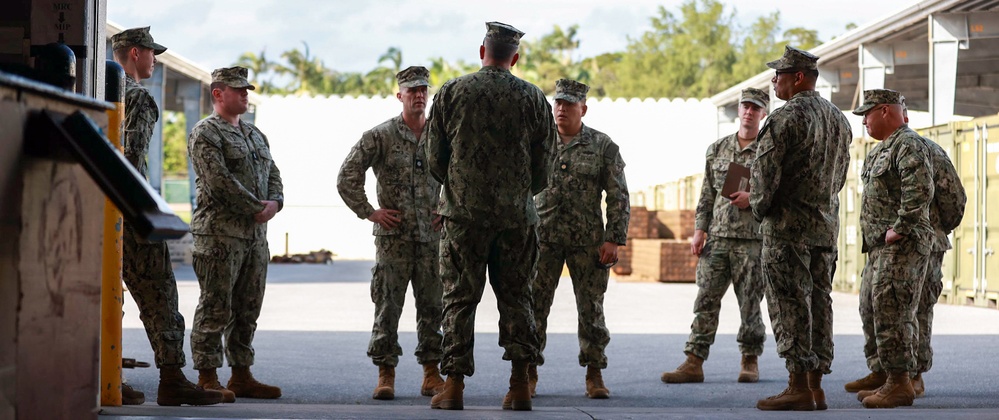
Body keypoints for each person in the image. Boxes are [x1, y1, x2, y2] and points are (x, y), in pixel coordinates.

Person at [424, 21, 556, 411]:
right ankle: (519, 386)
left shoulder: (452, 91)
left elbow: (434, 158)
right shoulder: (533, 98)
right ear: (514, 57)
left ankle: (453, 388)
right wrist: (516, 194)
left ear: (482, 52)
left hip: (464, 217)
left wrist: (460, 189)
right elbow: (544, 167)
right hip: (517, 218)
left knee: (459, 299)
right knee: (518, 298)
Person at [110, 26, 223, 407]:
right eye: (152, 53)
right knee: (159, 292)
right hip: (126, 211)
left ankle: (105, 376)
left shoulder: (93, 91)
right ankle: (172, 378)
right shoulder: (137, 97)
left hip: (95, 208)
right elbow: (131, 161)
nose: (156, 60)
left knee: (106, 298)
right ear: (136, 53)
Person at [749, 46, 852, 411]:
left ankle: (796, 385)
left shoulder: (785, 118)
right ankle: (815, 385)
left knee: (789, 302)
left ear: (798, 78)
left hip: (788, 230)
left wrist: (757, 207)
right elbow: (839, 178)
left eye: (779, 75)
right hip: (824, 229)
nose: (774, 81)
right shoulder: (839, 119)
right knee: (820, 302)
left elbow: (763, 180)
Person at [336, 66, 446, 400]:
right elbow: (347, 175)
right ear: (400, 95)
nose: (418, 95)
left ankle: (431, 374)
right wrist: (370, 212)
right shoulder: (380, 136)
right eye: (412, 90)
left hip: (431, 240)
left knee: (433, 309)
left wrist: (447, 208)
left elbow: (459, 176)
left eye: (423, 90)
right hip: (393, 241)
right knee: (388, 308)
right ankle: (386, 374)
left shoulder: (441, 137)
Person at [846, 89, 959, 408]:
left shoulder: (909, 144)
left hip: (904, 244)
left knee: (897, 307)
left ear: (884, 111)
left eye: (867, 114)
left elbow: (926, 192)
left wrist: (903, 228)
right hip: (882, 245)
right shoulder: (881, 150)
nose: (864, 121)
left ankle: (903, 379)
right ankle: (884, 371)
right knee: (873, 305)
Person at [188, 66, 284, 402]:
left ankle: (241, 374)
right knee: (216, 307)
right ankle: (207, 376)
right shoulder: (205, 133)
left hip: (255, 237)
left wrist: (275, 203)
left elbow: (273, 173)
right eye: (238, 89)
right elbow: (218, 182)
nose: (245, 94)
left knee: (248, 308)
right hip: (219, 237)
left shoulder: (255, 135)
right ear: (218, 93)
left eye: (247, 89)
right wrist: (255, 207)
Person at [661, 88, 768, 385]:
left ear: (763, 113)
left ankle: (750, 359)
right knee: (705, 299)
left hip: (752, 240)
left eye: (755, 108)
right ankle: (694, 360)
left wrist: (753, 198)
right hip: (718, 239)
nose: (748, 111)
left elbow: (776, 195)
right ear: (739, 109)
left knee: (750, 304)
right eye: (745, 106)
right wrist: (699, 231)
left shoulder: (769, 152)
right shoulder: (717, 149)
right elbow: (706, 194)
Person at [532, 78, 629, 400]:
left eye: (569, 104)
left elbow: (618, 196)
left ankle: (594, 372)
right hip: (542, 240)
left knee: (591, 309)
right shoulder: (537, 142)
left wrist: (613, 238)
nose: (561, 109)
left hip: (588, 242)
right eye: (558, 103)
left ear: (582, 109)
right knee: (534, 308)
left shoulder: (603, 146)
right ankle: (527, 371)